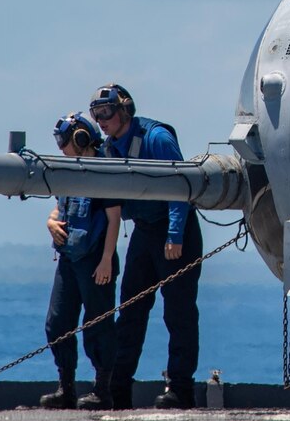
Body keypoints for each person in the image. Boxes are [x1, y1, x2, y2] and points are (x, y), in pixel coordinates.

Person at [88, 83, 202, 410]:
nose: (102, 120)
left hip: (174, 229)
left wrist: (176, 235)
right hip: (144, 231)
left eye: (107, 112)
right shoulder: (110, 148)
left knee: (178, 314)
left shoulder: (157, 139)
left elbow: (180, 187)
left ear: (124, 110)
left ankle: (181, 389)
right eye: (97, 115)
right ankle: (118, 390)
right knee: (131, 311)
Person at [39, 113, 121, 409]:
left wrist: (106, 260)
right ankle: (67, 388)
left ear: (80, 139)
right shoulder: (66, 170)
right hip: (68, 258)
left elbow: (114, 219)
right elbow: (58, 208)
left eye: (64, 141)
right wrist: (51, 223)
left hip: (95, 259)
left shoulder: (101, 170)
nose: (61, 147)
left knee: (98, 325)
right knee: (57, 322)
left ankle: (102, 390)